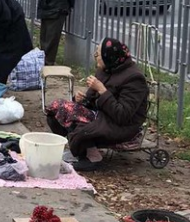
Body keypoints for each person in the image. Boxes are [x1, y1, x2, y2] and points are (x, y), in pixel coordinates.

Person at [45, 37, 149, 171]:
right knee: (57, 109)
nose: (95, 57)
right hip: (101, 115)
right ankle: (82, 150)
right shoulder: (106, 69)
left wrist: (102, 90)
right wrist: (81, 99)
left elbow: (123, 115)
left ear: (109, 57)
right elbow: (91, 102)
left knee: (71, 114)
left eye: (98, 54)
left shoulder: (134, 79)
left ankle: (93, 157)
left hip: (121, 125)